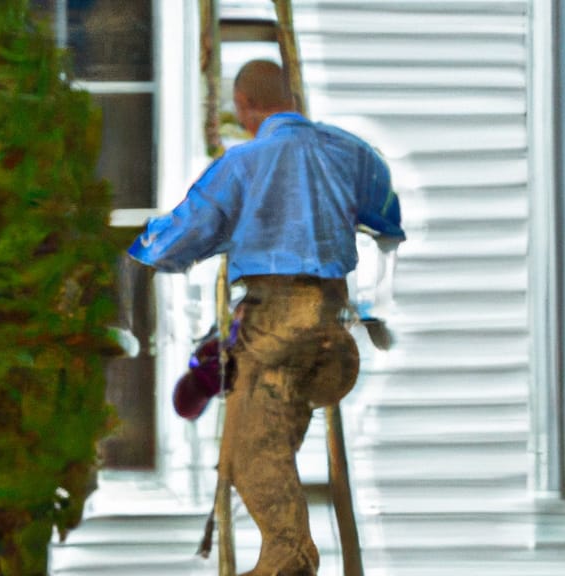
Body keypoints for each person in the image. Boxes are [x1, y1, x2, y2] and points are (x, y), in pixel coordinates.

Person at [128, 59, 405, 576]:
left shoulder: (243, 165)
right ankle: (288, 550)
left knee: (249, 454)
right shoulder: (353, 154)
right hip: (333, 335)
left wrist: (141, 248)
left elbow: (176, 239)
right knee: (276, 442)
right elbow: (388, 220)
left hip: (276, 327)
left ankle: (291, 554)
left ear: (243, 106)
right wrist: (375, 307)